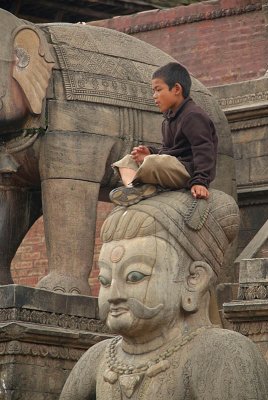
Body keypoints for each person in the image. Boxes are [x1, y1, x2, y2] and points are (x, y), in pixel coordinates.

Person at [60, 189, 268, 400]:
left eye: (135, 277)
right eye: (104, 280)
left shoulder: (222, 352)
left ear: (193, 280)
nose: (114, 294)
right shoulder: (99, 357)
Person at [109, 62, 218, 206]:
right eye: (153, 91)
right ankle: (133, 190)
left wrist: (200, 181)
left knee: (153, 161)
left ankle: (141, 187)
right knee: (127, 160)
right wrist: (150, 151)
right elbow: (168, 150)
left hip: (186, 171)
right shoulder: (168, 119)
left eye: (158, 90)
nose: (154, 96)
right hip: (169, 166)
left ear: (177, 89)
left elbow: (204, 149)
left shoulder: (193, 115)